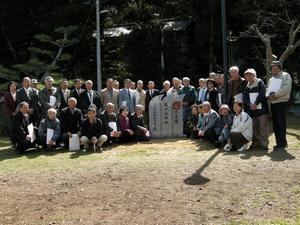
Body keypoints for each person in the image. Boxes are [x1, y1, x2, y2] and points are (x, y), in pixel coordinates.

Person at [266, 61, 292, 151]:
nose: (274, 69)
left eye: (276, 67)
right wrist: (268, 96)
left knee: (281, 123)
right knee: (276, 124)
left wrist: (275, 95)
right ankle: (279, 143)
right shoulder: (271, 79)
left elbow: (285, 88)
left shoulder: (285, 75)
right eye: (272, 68)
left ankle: (282, 143)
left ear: (280, 68)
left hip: (282, 102)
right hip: (273, 103)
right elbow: (268, 89)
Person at [243, 68, 269, 150]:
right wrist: (249, 104)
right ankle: (256, 142)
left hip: (261, 110)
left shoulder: (260, 82)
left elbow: (262, 93)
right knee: (254, 127)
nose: (248, 77)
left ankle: (264, 143)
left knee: (262, 127)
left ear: (254, 75)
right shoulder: (247, 85)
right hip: (252, 110)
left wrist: (256, 103)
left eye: (250, 75)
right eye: (247, 76)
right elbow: (245, 97)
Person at [4, 81, 18, 147]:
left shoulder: (19, 94)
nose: (13, 87)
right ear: (9, 88)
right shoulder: (7, 95)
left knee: (19, 128)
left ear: (16, 87)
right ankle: (13, 143)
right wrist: (12, 113)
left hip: (19, 114)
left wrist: (17, 112)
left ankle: (20, 141)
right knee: (12, 129)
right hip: (11, 115)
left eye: (14, 86)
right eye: (11, 86)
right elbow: (7, 106)